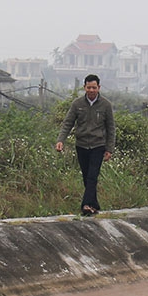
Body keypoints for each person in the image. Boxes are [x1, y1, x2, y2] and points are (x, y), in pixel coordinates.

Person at [56, 74, 115, 215]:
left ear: (99, 88)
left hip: (98, 145)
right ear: (84, 88)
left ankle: (86, 205)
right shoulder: (77, 104)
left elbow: (111, 128)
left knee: (92, 176)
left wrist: (109, 149)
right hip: (81, 145)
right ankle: (94, 205)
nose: (91, 90)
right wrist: (60, 140)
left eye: (94, 87)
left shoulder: (106, 105)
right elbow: (68, 123)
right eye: (89, 87)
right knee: (86, 176)